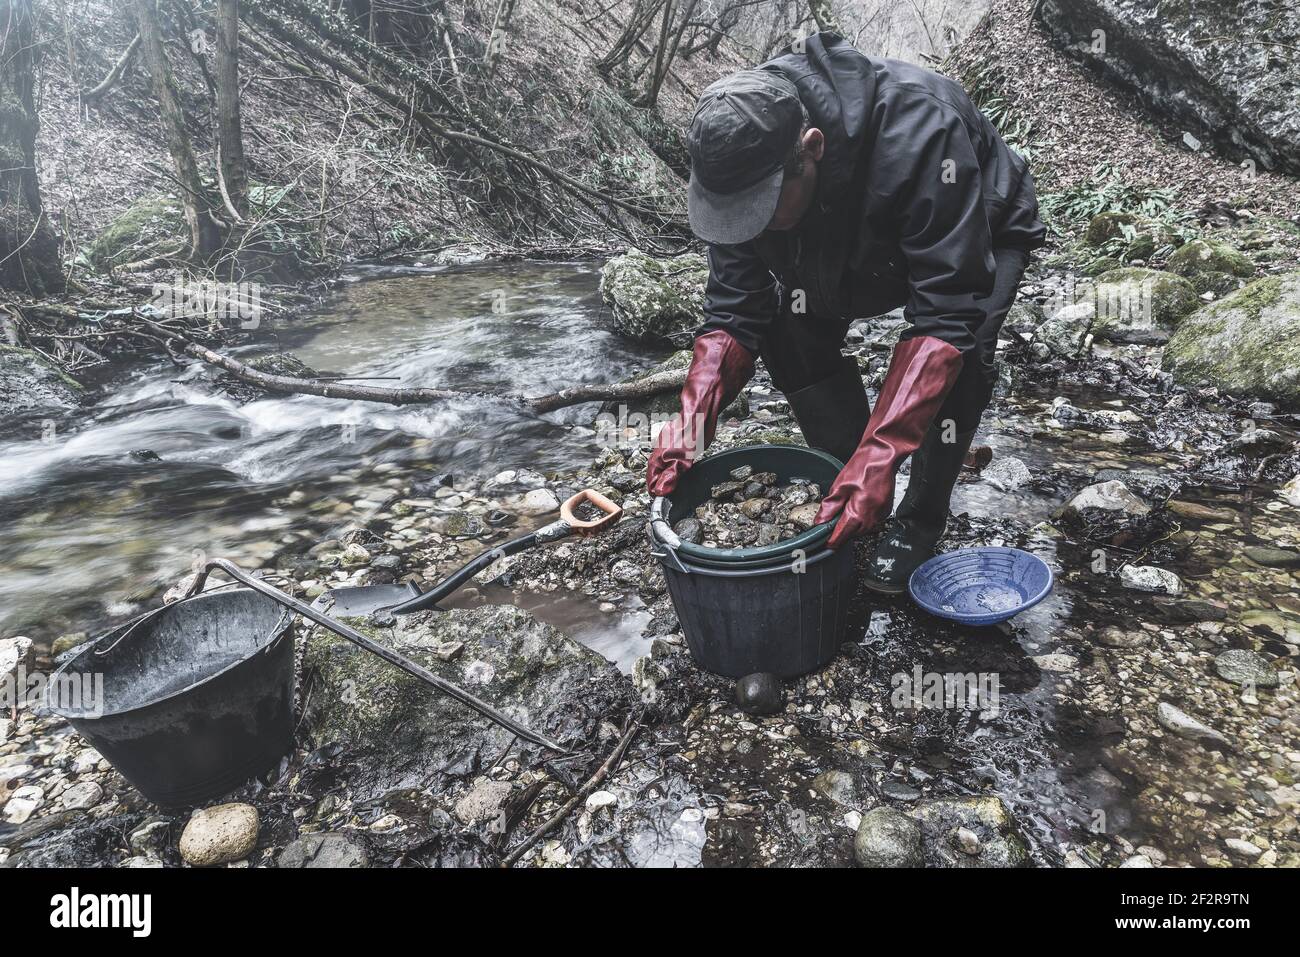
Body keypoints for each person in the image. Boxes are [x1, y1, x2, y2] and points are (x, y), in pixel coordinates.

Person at [645, 31, 1046, 593]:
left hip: (975, 226)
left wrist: (884, 454)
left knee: (964, 357)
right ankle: (843, 474)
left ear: (811, 147)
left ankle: (919, 517)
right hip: (838, 241)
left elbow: (946, 313)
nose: (746, 227)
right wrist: (690, 425)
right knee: (788, 331)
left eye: (760, 209)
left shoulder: (919, 127)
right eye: (735, 214)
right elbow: (737, 311)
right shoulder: (739, 156)